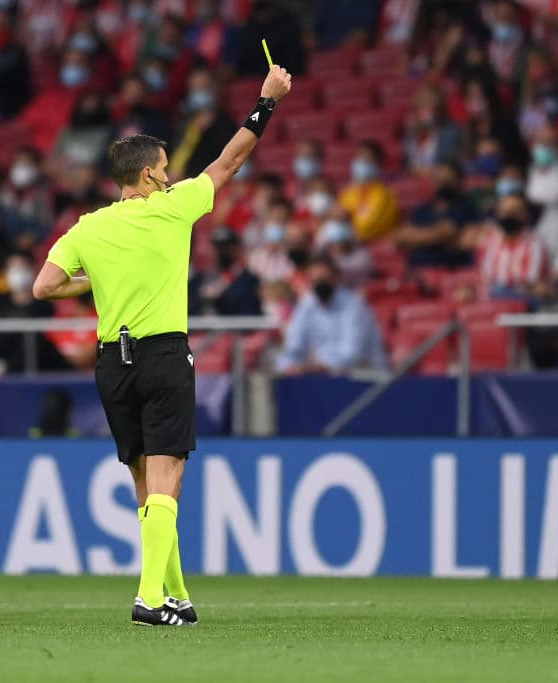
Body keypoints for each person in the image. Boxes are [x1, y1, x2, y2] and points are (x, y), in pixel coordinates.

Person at [31, 65, 294, 626]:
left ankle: (175, 592)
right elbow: (230, 160)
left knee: (146, 484)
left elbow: (44, 286)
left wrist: (96, 282)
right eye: (167, 171)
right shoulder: (174, 208)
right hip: (164, 356)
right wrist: (265, 101)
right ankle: (150, 598)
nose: (172, 178)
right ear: (149, 176)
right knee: (169, 478)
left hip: (112, 363)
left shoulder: (87, 227)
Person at [275, 254, 387, 375]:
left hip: (363, 374)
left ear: (336, 278)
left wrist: (320, 366)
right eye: (316, 280)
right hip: (323, 375)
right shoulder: (306, 305)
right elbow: (294, 346)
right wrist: (288, 366)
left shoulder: (354, 306)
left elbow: (353, 353)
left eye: (325, 279)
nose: (320, 284)